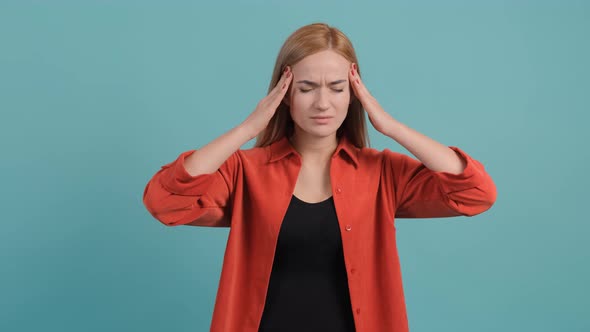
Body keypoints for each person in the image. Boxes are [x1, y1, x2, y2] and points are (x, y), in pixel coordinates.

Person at [143, 22, 497, 332]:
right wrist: (247, 128)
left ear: (355, 95)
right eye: (307, 88)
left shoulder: (382, 172)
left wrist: (391, 127)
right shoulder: (244, 171)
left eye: (337, 88)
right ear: (284, 94)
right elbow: (164, 202)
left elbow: (476, 194)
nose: (323, 103)